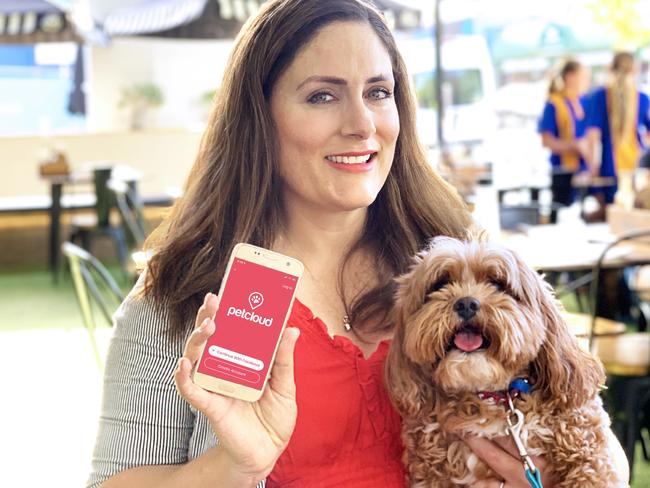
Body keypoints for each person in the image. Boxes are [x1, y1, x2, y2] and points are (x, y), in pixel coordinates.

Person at [88, 1, 629, 487]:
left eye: (378, 92)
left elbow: (595, 439)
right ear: (259, 118)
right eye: (322, 95)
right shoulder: (186, 298)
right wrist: (233, 466)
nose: (361, 124)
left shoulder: (453, 259)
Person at [585, 51, 650, 213]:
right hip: (635, 165)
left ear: (610, 68)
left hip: (608, 165)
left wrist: (592, 166)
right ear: (634, 70)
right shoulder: (641, 98)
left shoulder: (598, 96)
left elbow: (593, 135)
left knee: (609, 214)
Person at [538, 59, 591, 222]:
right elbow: (547, 141)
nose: (586, 80)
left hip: (584, 169)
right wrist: (574, 145)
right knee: (560, 213)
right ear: (570, 76)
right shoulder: (553, 104)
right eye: (582, 75)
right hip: (562, 171)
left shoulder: (583, 102)